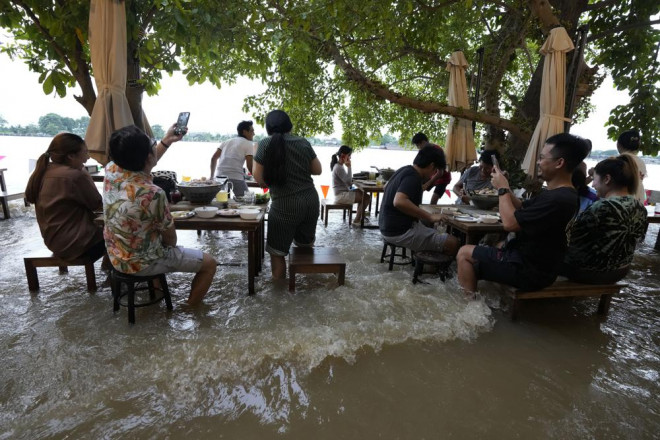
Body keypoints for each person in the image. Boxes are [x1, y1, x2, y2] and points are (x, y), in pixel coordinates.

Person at [457, 133, 590, 294]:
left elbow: (509, 224)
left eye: (542, 158)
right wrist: (505, 185)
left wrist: (502, 188)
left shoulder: (558, 198)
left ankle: (469, 311)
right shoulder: (562, 194)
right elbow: (520, 206)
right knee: (489, 249)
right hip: (537, 264)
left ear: (559, 163)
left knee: (464, 253)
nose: (538, 162)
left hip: (530, 270)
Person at [104, 124, 217, 306]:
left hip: (116, 257)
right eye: (152, 146)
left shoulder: (111, 171)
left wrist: (167, 140)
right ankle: (190, 309)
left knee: (151, 241)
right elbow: (171, 240)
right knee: (210, 263)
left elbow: (145, 159)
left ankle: (156, 293)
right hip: (142, 264)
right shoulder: (152, 193)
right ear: (148, 156)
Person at [252, 110, 323, 279]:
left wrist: (256, 153)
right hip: (310, 202)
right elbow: (318, 170)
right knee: (305, 249)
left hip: (284, 204)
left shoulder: (264, 144)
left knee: (277, 254)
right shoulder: (303, 142)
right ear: (289, 126)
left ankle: (279, 299)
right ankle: (307, 290)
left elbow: (259, 179)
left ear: (268, 128)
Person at [562, 154, 647, 284]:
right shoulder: (640, 208)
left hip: (590, 273)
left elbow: (572, 239)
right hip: (621, 271)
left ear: (607, 179)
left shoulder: (603, 207)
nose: (593, 184)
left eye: (594, 178)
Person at [25, 133, 107, 262]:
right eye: (85, 153)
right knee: (122, 234)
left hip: (54, 243)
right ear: (71, 156)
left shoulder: (42, 171)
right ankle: (115, 277)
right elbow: (97, 204)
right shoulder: (75, 175)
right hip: (78, 245)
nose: (88, 157)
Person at [378, 145, 460, 256]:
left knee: (429, 224)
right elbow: (399, 201)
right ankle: (435, 271)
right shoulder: (414, 177)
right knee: (453, 243)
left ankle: (427, 263)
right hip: (399, 232)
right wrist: (430, 216)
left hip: (386, 226)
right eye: (435, 171)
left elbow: (386, 187)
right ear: (432, 166)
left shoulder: (404, 169)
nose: (433, 175)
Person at [209, 120, 255, 197]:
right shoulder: (249, 144)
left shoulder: (226, 141)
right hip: (236, 177)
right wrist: (259, 180)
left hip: (220, 178)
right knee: (246, 201)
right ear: (244, 132)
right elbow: (249, 166)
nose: (254, 133)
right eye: (252, 131)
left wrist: (211, 177)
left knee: (222, 203)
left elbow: (214, 158)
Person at [330, 145, 367, 225]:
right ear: (343, 155)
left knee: (362, 193)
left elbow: (347, 184)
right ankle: (357, 220)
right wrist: (349, 167)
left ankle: (358, 216)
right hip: (340, 196)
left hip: (342, 194)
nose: (350, 158)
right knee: (366, 197)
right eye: (349, 155)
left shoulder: (339, 166)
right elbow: (349, 182)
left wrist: (356, 188)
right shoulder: (339, 167)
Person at [412, 132, 451, 204]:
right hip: (430, 175)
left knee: (433, 200)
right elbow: (417, 165)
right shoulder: (422, 151)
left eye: (418, 145)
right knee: (418, 189)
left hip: (443, 178)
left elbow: (440, 172)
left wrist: (427, 184)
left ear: (423, 142)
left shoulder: (437, 150)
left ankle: (433, 214)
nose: (418, 148)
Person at [616, 129, 646, 203]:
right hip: (638, 202)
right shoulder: (641, 162)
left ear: (618, 145)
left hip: (621, 203)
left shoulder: (618, 161)